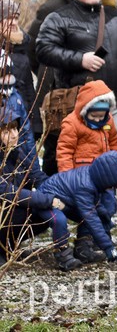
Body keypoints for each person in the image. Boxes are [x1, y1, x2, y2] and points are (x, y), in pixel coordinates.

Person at [35, 0, 117, 225]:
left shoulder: (116, 16)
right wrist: (79, 59)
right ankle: (87, 211)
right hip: (82, 106)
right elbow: (43, 49)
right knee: (85, 158)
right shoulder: (59, 18)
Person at [27, 0, 104, 158]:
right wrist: (51, 69)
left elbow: (106, 42)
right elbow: (34, 49)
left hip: (86, 86)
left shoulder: (97, 7)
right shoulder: (53, 9)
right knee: (59, 143)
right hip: (56, 85)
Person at [55, 79, 117, 263]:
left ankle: (103, 239)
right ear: (85, 110)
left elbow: (115, 144)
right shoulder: (72, 123)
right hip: (82, 177)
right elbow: (64, 151)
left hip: (105, 176)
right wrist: (67, 177)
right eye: (94, 116)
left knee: (108, 206)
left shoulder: (108, 122)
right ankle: (84, 244)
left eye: (101, 116)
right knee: (89, 210)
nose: (98, 120)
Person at [37, 150, 117, 265]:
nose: (113, 188)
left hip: (65, 201)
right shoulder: (85, 186)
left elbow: (94, 206)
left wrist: (104, 216)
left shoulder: (92, 177)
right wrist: (108, 247)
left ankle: (82, 250)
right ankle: (63, 255)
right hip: (47, 199)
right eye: (113, 185)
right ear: (106, 180)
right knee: (59, 220)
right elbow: (90, 217)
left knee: (94, 214)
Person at [0, 106, 59, 267]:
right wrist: (47, 200)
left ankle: (8, 245)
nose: (14, 135)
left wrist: (60, 190)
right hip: (4, 209)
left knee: (43, 215)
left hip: (10, 210)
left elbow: (36, 176)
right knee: (15, 211)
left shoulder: (18, 153)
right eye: (6, 131)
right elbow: (9, 193)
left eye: (15, 129)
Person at [0, 0, 37, 135]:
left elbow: (29, 89)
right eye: (8, 18)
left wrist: (36, 124)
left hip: (21, 119)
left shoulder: (21, 46)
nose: (13, 22)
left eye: (15, 18)